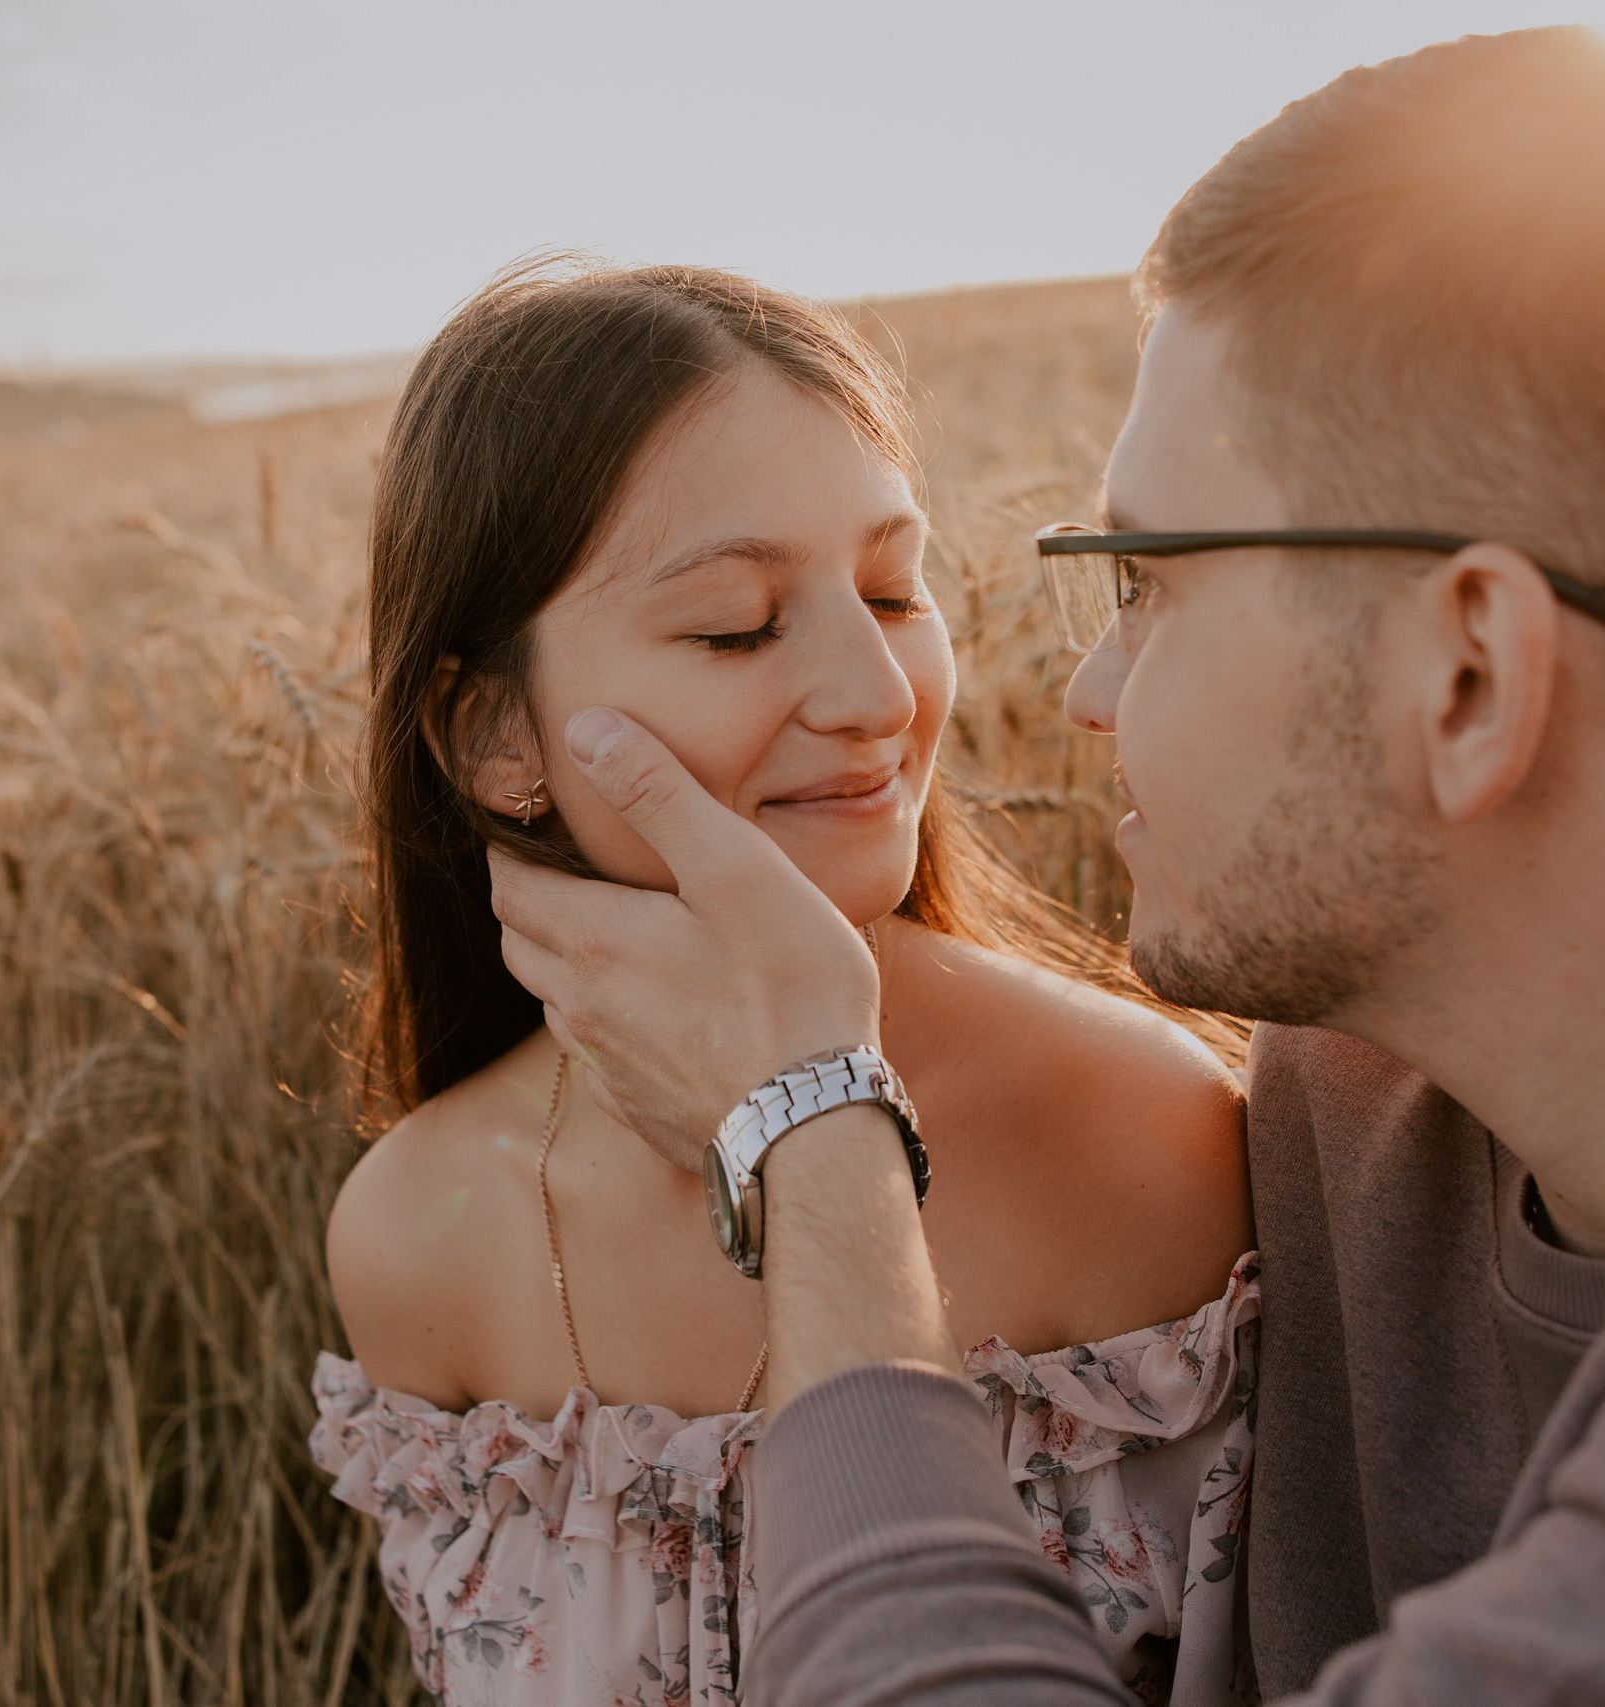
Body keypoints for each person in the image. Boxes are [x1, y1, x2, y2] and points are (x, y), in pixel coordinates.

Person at [490, 26, 1605, 1707]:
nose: (1086, 694)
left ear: (1464, 674)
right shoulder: (1354, 1098)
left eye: (1148, 581)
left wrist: (809, 1128)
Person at [310, 261, 1259, 1707]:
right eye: (738, 627)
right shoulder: (415, 1239)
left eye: (892, 589)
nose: (878, 696)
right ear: (494, 731)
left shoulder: (1135, 1133)